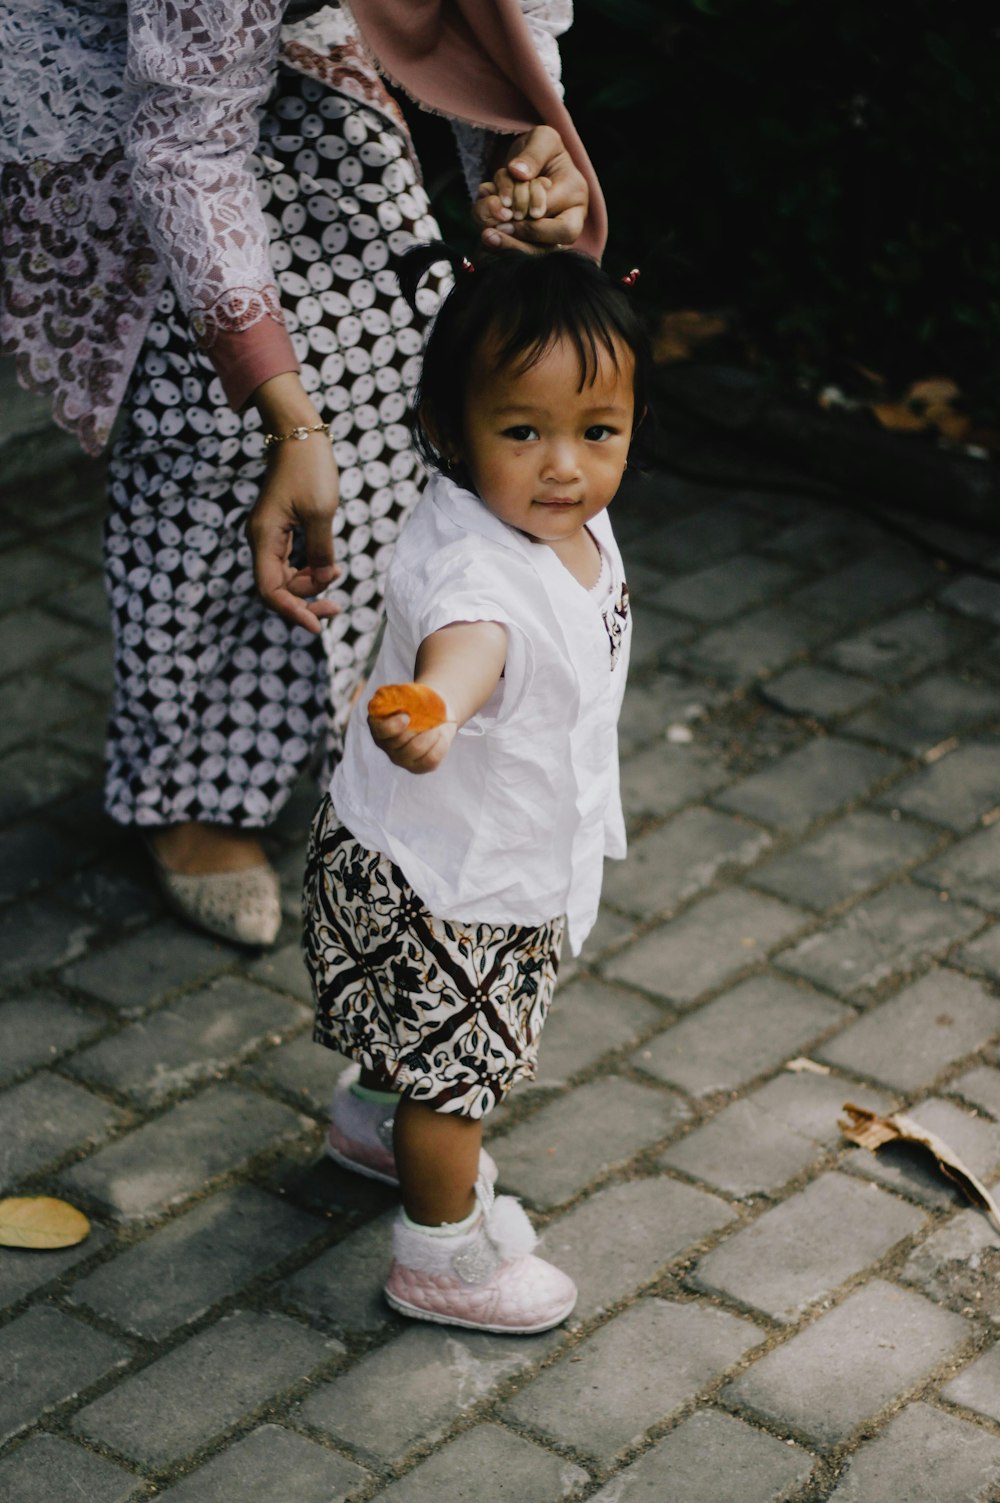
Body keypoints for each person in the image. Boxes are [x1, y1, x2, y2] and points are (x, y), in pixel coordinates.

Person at [0, 1, 606, 945]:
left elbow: (508, 18)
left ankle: (333, 716)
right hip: (142, 70)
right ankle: (186, 791)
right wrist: (290, 422)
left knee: (392, 341)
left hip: (306, 41)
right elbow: (189, 141)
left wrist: (526, 152)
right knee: (206, 419)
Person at [302, 243, 650, 1333]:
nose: (564, 467)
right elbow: (466, 651)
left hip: (407, 846)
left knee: (403, 1030)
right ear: (453, 431)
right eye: (522, 433)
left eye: (597, 432)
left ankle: (366, 1116)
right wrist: (435, 711)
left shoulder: (550, 521)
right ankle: (439, 1257)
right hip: (461, 886)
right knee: (457, 1084)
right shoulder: (478, 572)